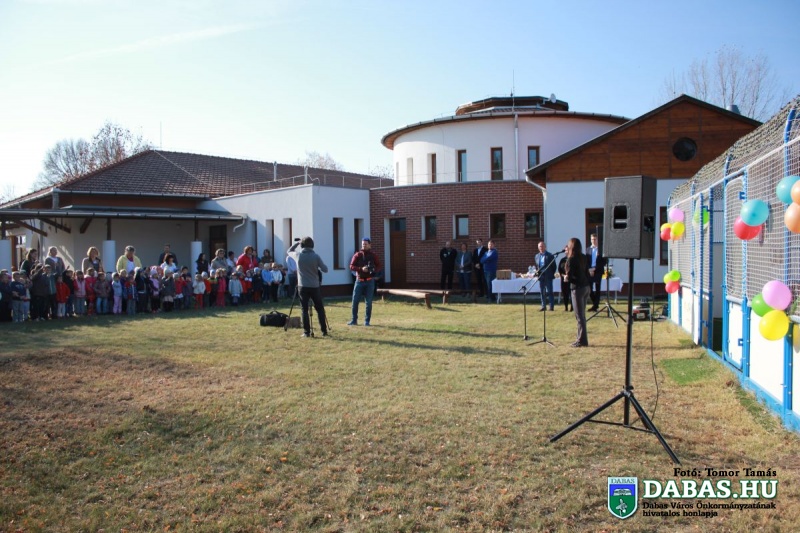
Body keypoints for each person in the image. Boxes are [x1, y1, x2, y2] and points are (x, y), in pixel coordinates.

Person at [288, 236, 330, 337]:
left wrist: (297, 243)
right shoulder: (316, 256)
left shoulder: (298, 255)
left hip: (302, 286)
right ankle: (324, 331)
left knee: (304, 309)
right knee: (319, 309)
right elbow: (325, 269)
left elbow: (289, 251)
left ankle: (306, 332)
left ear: (302, 245)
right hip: (315, 286)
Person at [563, 237, 590, 348]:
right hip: (586, 287)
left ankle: (581, 340)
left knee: (579, 316)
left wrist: (565, 278)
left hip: (577, 289)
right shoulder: (583, 257)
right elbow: (586, 272)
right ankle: (581, 338)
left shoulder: (571, 259)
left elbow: (569, 277)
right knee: (582, 315)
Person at [348, 237, 380, 326]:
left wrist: (373, 270)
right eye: (363, 244)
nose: (364, 246)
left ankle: (367, 321)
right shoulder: (357, 255)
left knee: (368, 302)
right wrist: (361, 269)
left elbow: (379, 266)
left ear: (370, 245)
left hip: (370, 281)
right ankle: (354, 320)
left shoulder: (373, 256)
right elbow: (351, 266)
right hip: (359, 281)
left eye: (366, 244)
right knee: (355, 301)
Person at [587, 232, 607, 312]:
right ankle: (596, 304)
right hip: (590, 271)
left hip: (598, 271)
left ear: (597, 240)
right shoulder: (588, 249)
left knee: (597, 288)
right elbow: (586, 261)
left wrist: (595, 269)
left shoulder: (601, 250)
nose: (593, 241)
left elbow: (604, 261)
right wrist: (589, 269)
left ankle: (595, 306)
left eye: (595, 239)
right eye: (592, 239)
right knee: (589, 288)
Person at [534, 241, 556, 311]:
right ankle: (543, 306)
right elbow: (537, 266)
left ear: (545, 247)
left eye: (542, 246)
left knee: (550, 291)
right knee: (542, 291)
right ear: (538, 248)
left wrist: (550, 273)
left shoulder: (550, 255)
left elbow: (554, 266)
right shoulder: (537, 256)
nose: (541, 247)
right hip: (541, 276)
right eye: (540, 246)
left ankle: (551, 306)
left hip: (548, 276)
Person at [557, 247, 572, 312]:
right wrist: (564, 275)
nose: (566, 251)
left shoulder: (572, 259)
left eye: (567, 250)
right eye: (565, 250)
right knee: (565, 293)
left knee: (571, 293)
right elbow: (559, 270)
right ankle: (566, 307)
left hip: (571, 279)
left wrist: (569, 276)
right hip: (564, 279)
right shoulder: (562, 260)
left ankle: (572, 307)